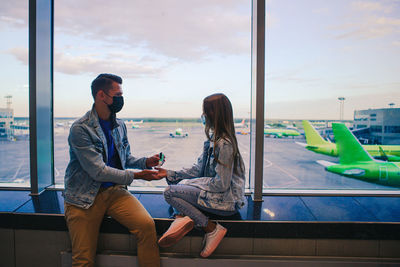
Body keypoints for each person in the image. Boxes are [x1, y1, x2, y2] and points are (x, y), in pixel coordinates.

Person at [63, 73, 162, 267]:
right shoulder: (80, 129)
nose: (121, 99)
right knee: (83, 259)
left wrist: (145, 162)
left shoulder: (120, 125)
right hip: (84, 198)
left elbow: (124, 159)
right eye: (117, 94)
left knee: (147, 227)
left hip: (114, 192)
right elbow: (98, 171)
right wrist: (138, 176)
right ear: (101, 95)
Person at [156, 93, 246, 258]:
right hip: (216, 195)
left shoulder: (224, 144)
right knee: (181, 185)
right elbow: (198, 169)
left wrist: (190, 183)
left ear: (214, 114)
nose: (203, 116)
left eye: (205, 112)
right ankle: (181, 217)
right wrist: (169, 173)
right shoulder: (213, 139)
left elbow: (221, 185)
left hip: (226, 202)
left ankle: (210, 228)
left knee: (170, 192)